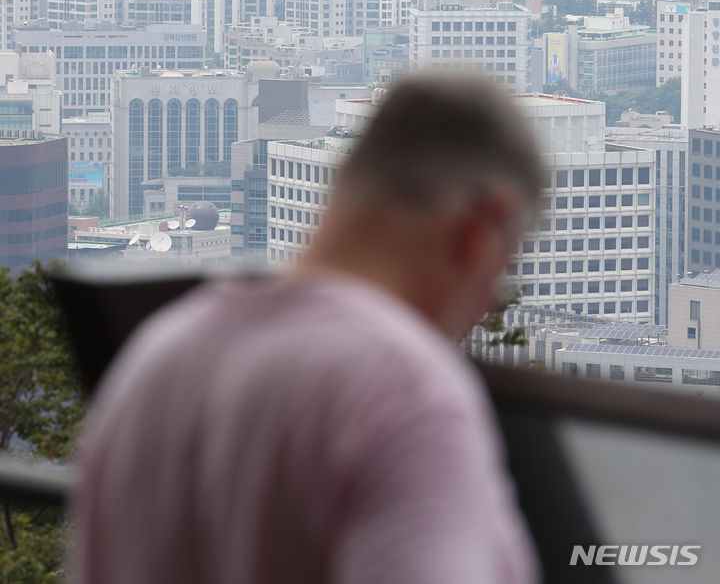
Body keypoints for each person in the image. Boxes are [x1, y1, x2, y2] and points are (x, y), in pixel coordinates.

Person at [72, 72, 543, 584]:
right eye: (503, 271)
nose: (488, 306)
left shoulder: (156, 356)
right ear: (480, 230)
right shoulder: (405, 392)